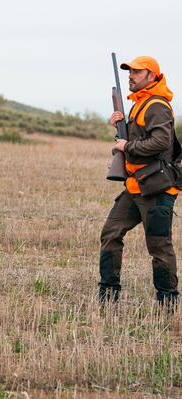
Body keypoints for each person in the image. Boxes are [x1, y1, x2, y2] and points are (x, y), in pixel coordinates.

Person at [99, 56, 179, 307]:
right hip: (135, 186)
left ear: (152, 76)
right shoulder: (139, 104)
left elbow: (161, 142)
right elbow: (138, 141)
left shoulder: (156, 105)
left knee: (159, 247)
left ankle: (167, 302)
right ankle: (108, 294)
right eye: (130, 71)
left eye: (137, 71)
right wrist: (120, 127)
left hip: (156, 189)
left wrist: (127, 144)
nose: (131, 75)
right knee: (111, 233)